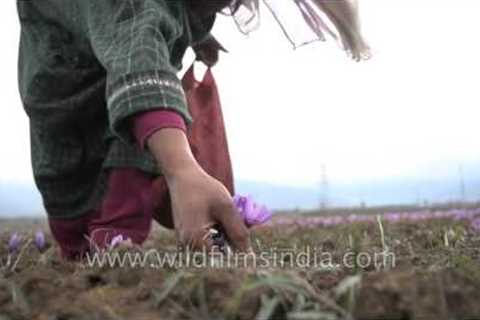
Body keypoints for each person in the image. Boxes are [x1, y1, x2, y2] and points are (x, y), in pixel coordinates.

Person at [16, 0, 370, 259]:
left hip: (129, 113)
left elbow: (149, 31)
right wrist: (182, 169)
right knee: (69, 199)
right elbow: (135, 39)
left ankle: (111, 258)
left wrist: (197, 35)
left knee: (121, 207)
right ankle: (88, 261)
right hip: (62, 79)